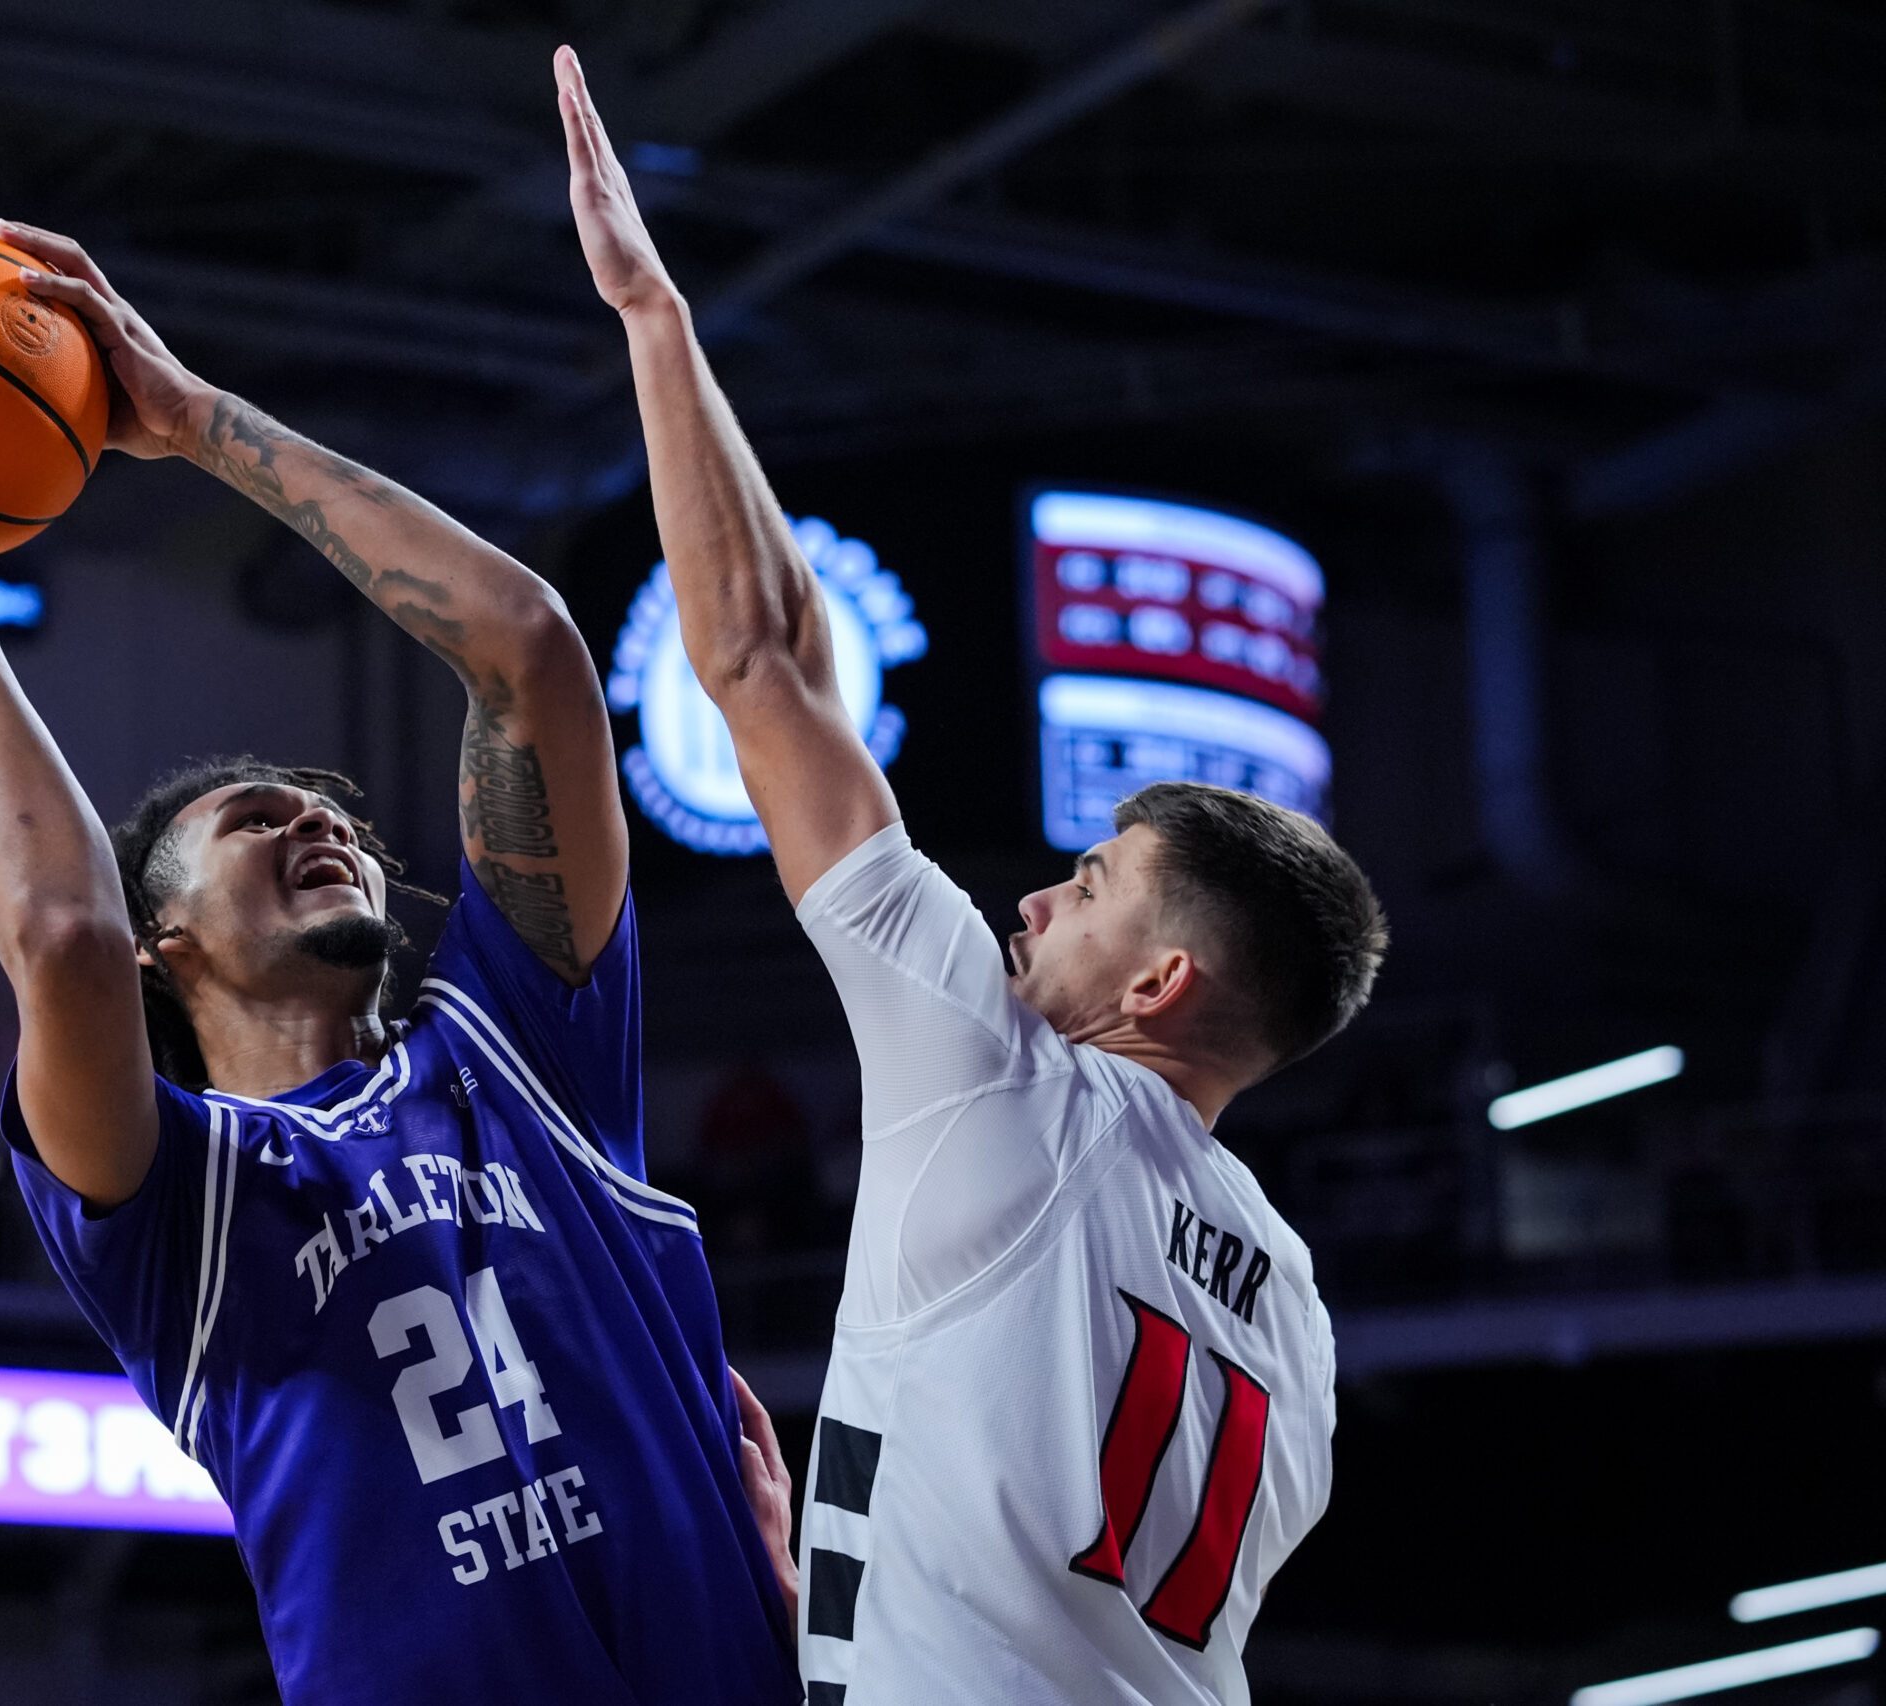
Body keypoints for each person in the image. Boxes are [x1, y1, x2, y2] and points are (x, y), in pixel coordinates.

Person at [0, 213, 801, 1706]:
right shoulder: (179, 1205)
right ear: (165, 945)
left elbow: (530, 650)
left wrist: (194, 423)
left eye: (335, 816)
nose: (318, 817)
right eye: (258, 820)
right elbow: (59, 934)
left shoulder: (526, 1051)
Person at [555, 48, 1390, 1706]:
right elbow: (1072, 1594)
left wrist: (656, 319)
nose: (1031, 904)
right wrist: (842, 1580)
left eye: (1087, 886)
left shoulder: (1007, 1084)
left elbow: (763, 656)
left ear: (1162, 986)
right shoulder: (1291, 1308)